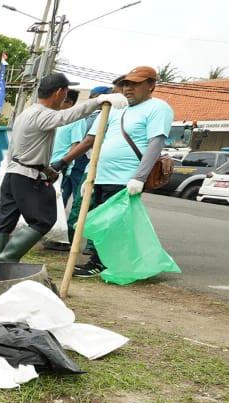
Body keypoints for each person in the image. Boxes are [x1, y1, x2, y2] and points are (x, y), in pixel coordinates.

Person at [0, 74, 128, 263]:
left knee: (5, 222)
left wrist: (47, 169)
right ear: (59, 92)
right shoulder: (42, 114)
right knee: (43, 220)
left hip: (13, 173)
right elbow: (66, 116)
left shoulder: (27, 112)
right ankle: (5, 259)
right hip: (27, 176)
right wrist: (98, 101)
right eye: (65, 92)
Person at [58, 66, 174, 277]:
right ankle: (105, 261)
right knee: (99, 220)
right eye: (126, 84)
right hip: (100, 175)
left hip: (125, 178)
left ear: (151, 85)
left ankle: (99, 263)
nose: (128, 88)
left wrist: (139, 177)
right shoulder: (114, 108)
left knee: (112, 224)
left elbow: (155, 143)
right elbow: (93, 141)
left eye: (135, 84)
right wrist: (86, 173)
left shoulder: (158, 108)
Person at [51, 86, 109, 247]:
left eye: (96, 97)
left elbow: (81, 143)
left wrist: (65, 162)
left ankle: (74, 239)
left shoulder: (98, 116)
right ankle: (59, 233)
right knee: (61, 198)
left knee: (83, 201)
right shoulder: (84, 115)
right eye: (92, 96)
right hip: (73, 162)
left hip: (82, 162)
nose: (92, 100)